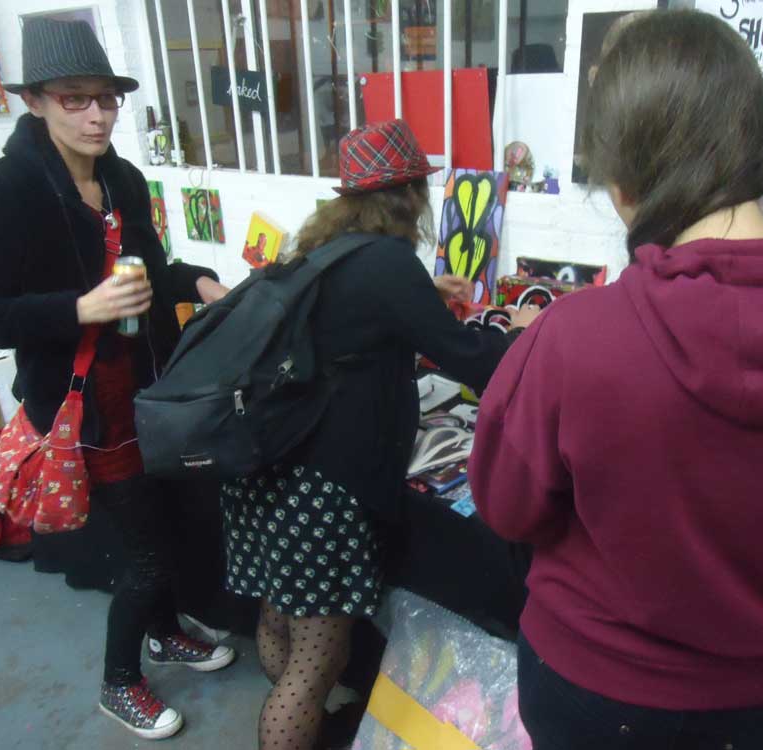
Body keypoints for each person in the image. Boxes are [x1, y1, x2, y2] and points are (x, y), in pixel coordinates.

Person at [470, 10, 763, 750]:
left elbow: (506, 507)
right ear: (760, 152)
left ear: (621, 181)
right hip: (747, 710)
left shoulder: (574, 337)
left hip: (580, 683)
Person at [0, 18, 235, 740]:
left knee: (167, 524)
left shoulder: (122, 178)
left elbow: (148, 270)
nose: (97, 115)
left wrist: (199, 280)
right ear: (35, 101)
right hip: (82, 411)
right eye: (75, 99)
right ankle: (119, 682)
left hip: (148, 392)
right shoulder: (6, 190)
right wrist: (78, 309)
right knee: (148, 553)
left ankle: (165, 633)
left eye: (107, 98)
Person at [220, 119, 539, 750]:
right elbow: (467, 356)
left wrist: (422, 293)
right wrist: (531, 335)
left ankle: (302, 728)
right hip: (320, 489)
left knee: (278, 620)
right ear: (411, 194)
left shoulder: (320, 250)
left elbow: (356, 322)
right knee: (318, 663)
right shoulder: (389, 261)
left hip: (264, 471)